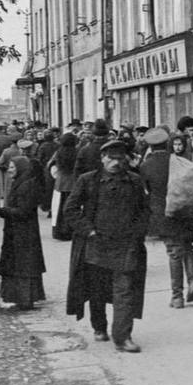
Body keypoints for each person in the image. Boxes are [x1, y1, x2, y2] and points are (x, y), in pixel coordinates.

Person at [64, 139, 149, 352]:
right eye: (111, 158)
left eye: (120, 159)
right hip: (96, 244)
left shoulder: (135, 181)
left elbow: (145, 211)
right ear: (102, 159)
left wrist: (137, 233)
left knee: (125, 290)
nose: (116, 163)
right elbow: (71, 209)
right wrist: (89, 230)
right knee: (97, 290)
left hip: (126, 244)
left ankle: (122, 337)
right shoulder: (88, 181)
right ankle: (99, 327)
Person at [141, 126, 193, 308]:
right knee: (187, 247)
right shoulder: (177, 160)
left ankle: (177, 296)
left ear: (151, 147)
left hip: (164, 213)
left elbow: (146, 191)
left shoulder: (146, 166)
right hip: (184, 210)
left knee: (174, 252)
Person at [0, 156, 47, 310]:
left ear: (20, 168)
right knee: (19, 264)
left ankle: (25, 299)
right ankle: (21, 298)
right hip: (19, 231)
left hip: (24, 232)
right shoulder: (22, 183)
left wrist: (5, 211)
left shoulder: (26, 185)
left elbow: (24, 211)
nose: (9, 170)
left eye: (12, 167)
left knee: (23, 264)